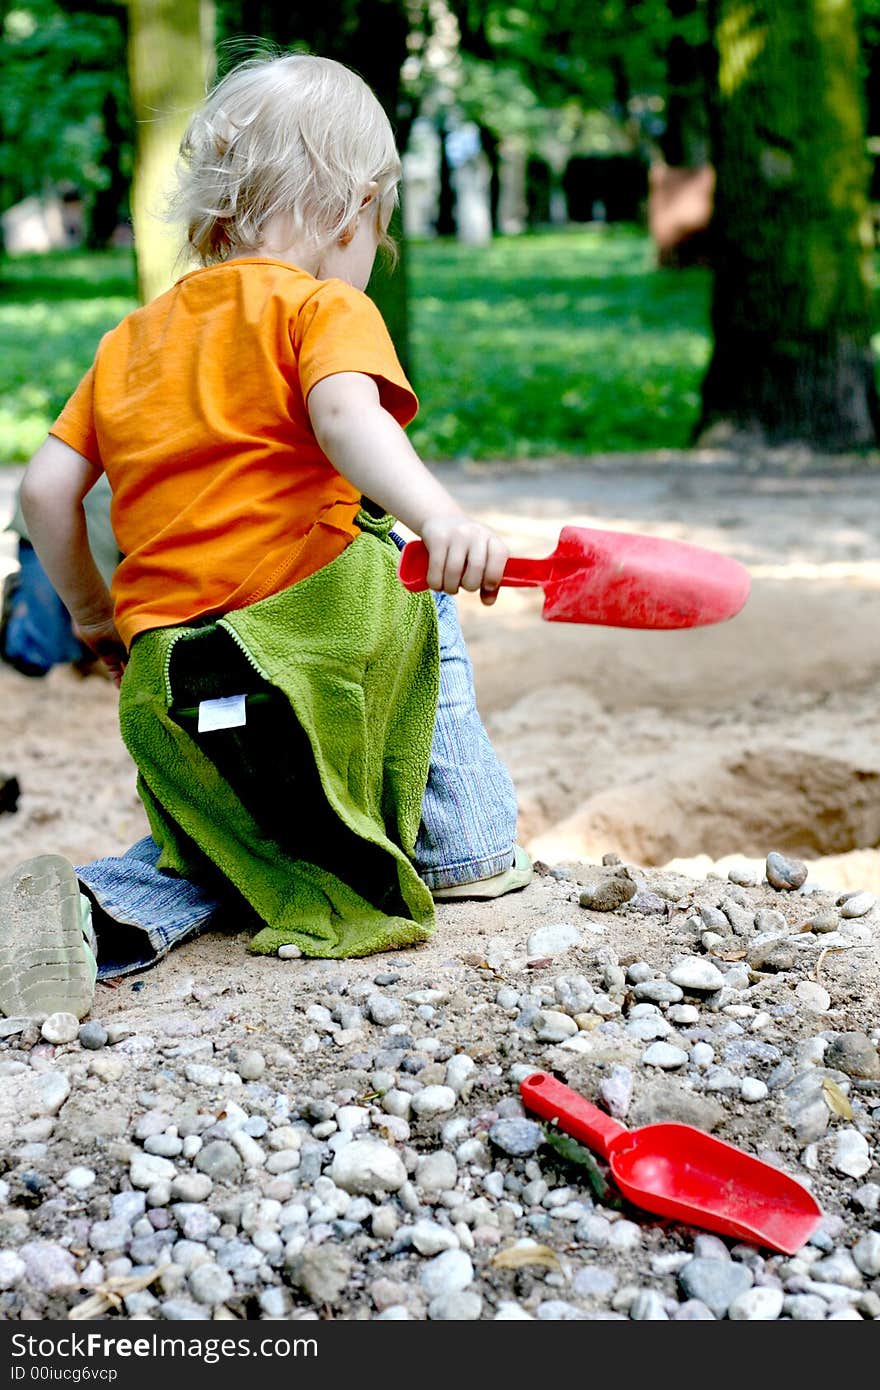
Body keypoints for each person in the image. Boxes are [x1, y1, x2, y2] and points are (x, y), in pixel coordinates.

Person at [0, 53, 531, 1024]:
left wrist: (93, 617)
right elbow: (344, 420)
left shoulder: (131, 338)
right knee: (410, 567)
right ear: (353, 210)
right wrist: (440, 519)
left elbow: (44, 490)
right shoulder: (322, 305)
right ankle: (461, 850)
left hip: (170, 680)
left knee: (234, 844)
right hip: (300, 659)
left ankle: (94, 906)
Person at [0, 473, 119, 677]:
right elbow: (89, 623)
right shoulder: (105, 502)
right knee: (40, 656)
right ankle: (17, 611)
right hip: (42, 531)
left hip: (89, 527)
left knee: (79, 647)